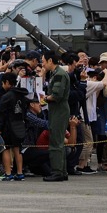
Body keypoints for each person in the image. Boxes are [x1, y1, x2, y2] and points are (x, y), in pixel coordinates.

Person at [42, 51, 71, 182]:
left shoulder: (59, 74)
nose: (43, 64)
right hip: (58, 110)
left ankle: (57, 171)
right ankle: (62, 171)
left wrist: (45, 98)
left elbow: (57, 95)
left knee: (56, 141)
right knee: (58, 140)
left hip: (58, 109)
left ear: (50, 61)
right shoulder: (56, 73)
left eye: (43, 61)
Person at [0, 72, 28, 181]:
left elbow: (2, 114)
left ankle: (8, 173)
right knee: (17, 149)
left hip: (8, 126)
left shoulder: (6, 96)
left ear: (7, 82)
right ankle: (20, 173)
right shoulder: (22, 95)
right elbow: (24, 111)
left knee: (5, 149)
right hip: (19, 124)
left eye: (3, 83)